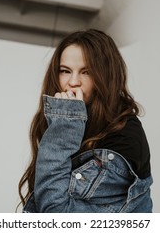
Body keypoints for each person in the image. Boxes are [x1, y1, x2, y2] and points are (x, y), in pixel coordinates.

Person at [19, 29, 153, 213]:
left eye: (86, 72)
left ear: (106, 75)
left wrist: (66, 122)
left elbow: (55, 216)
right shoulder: (73, 120)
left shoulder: (124, 140)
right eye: (65, 71)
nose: (73, 82)